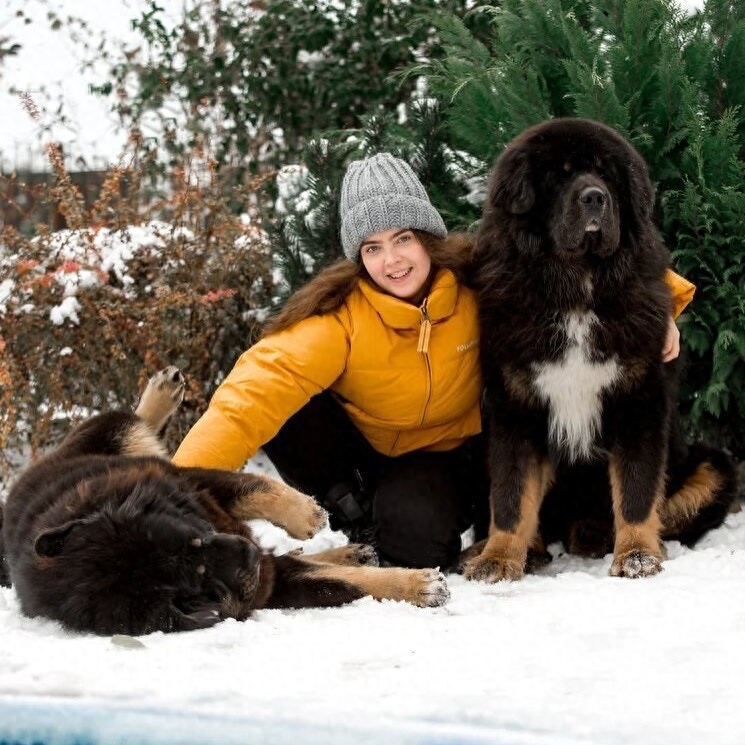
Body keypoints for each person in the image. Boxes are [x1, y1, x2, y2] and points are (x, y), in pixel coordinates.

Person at [172, 152, 695, 569]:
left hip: (446, 454)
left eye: (403, 239)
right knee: (282, 409)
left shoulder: (477, 281)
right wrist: (169, 492)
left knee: (415, 548)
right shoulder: (338, 319)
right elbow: (247, 398)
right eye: (373, 248)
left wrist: (664, 306)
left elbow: (592, 271)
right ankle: (354, 511)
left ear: (427, 239)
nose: (392, 260)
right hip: (365, 448)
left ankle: (400, 519)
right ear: (357, 258)